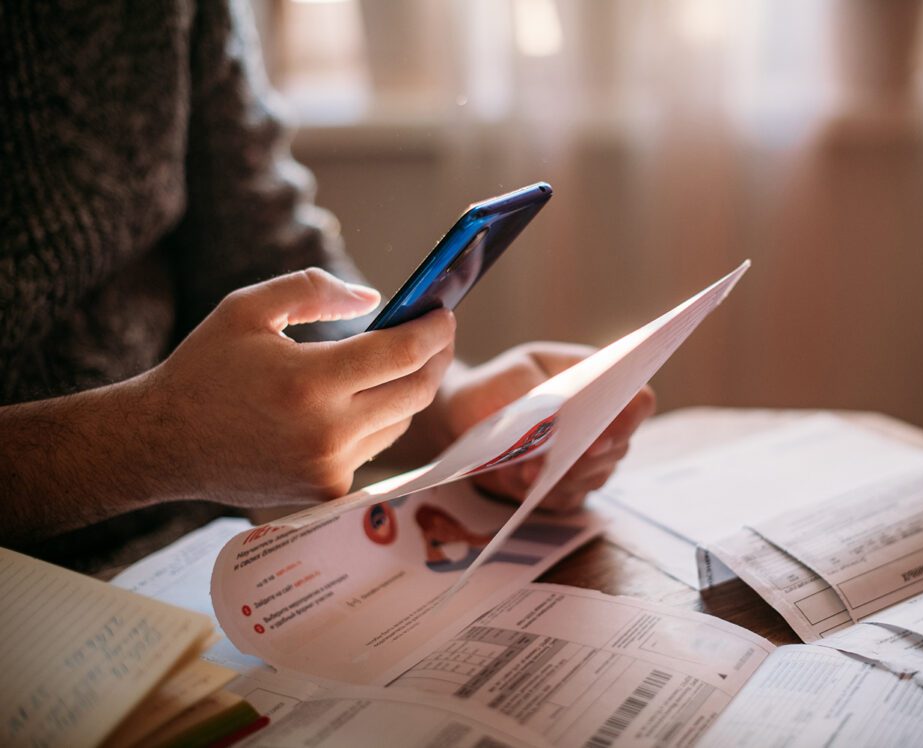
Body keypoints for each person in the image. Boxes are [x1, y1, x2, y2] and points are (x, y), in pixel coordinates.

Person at [0, 0, 654, 566]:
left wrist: (457, 408)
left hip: (191, 567)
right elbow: (182, 426)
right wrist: (155, 440)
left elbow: (263, 249)